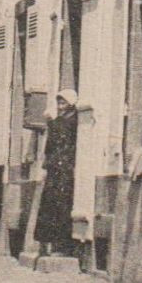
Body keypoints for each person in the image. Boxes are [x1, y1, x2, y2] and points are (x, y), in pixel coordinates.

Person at [35, 89, 80, 258]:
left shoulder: (72, 119)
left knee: (62, 205)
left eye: (63, 103)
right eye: (59, 103)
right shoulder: (60, 120)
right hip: (55, 168)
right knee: (49, 205)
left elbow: (62, 135)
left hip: (66, 168)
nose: (60, 107)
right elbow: (50, 145)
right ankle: (45, 243)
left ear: (71, 104)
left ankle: (62, 246)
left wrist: (51, 122)